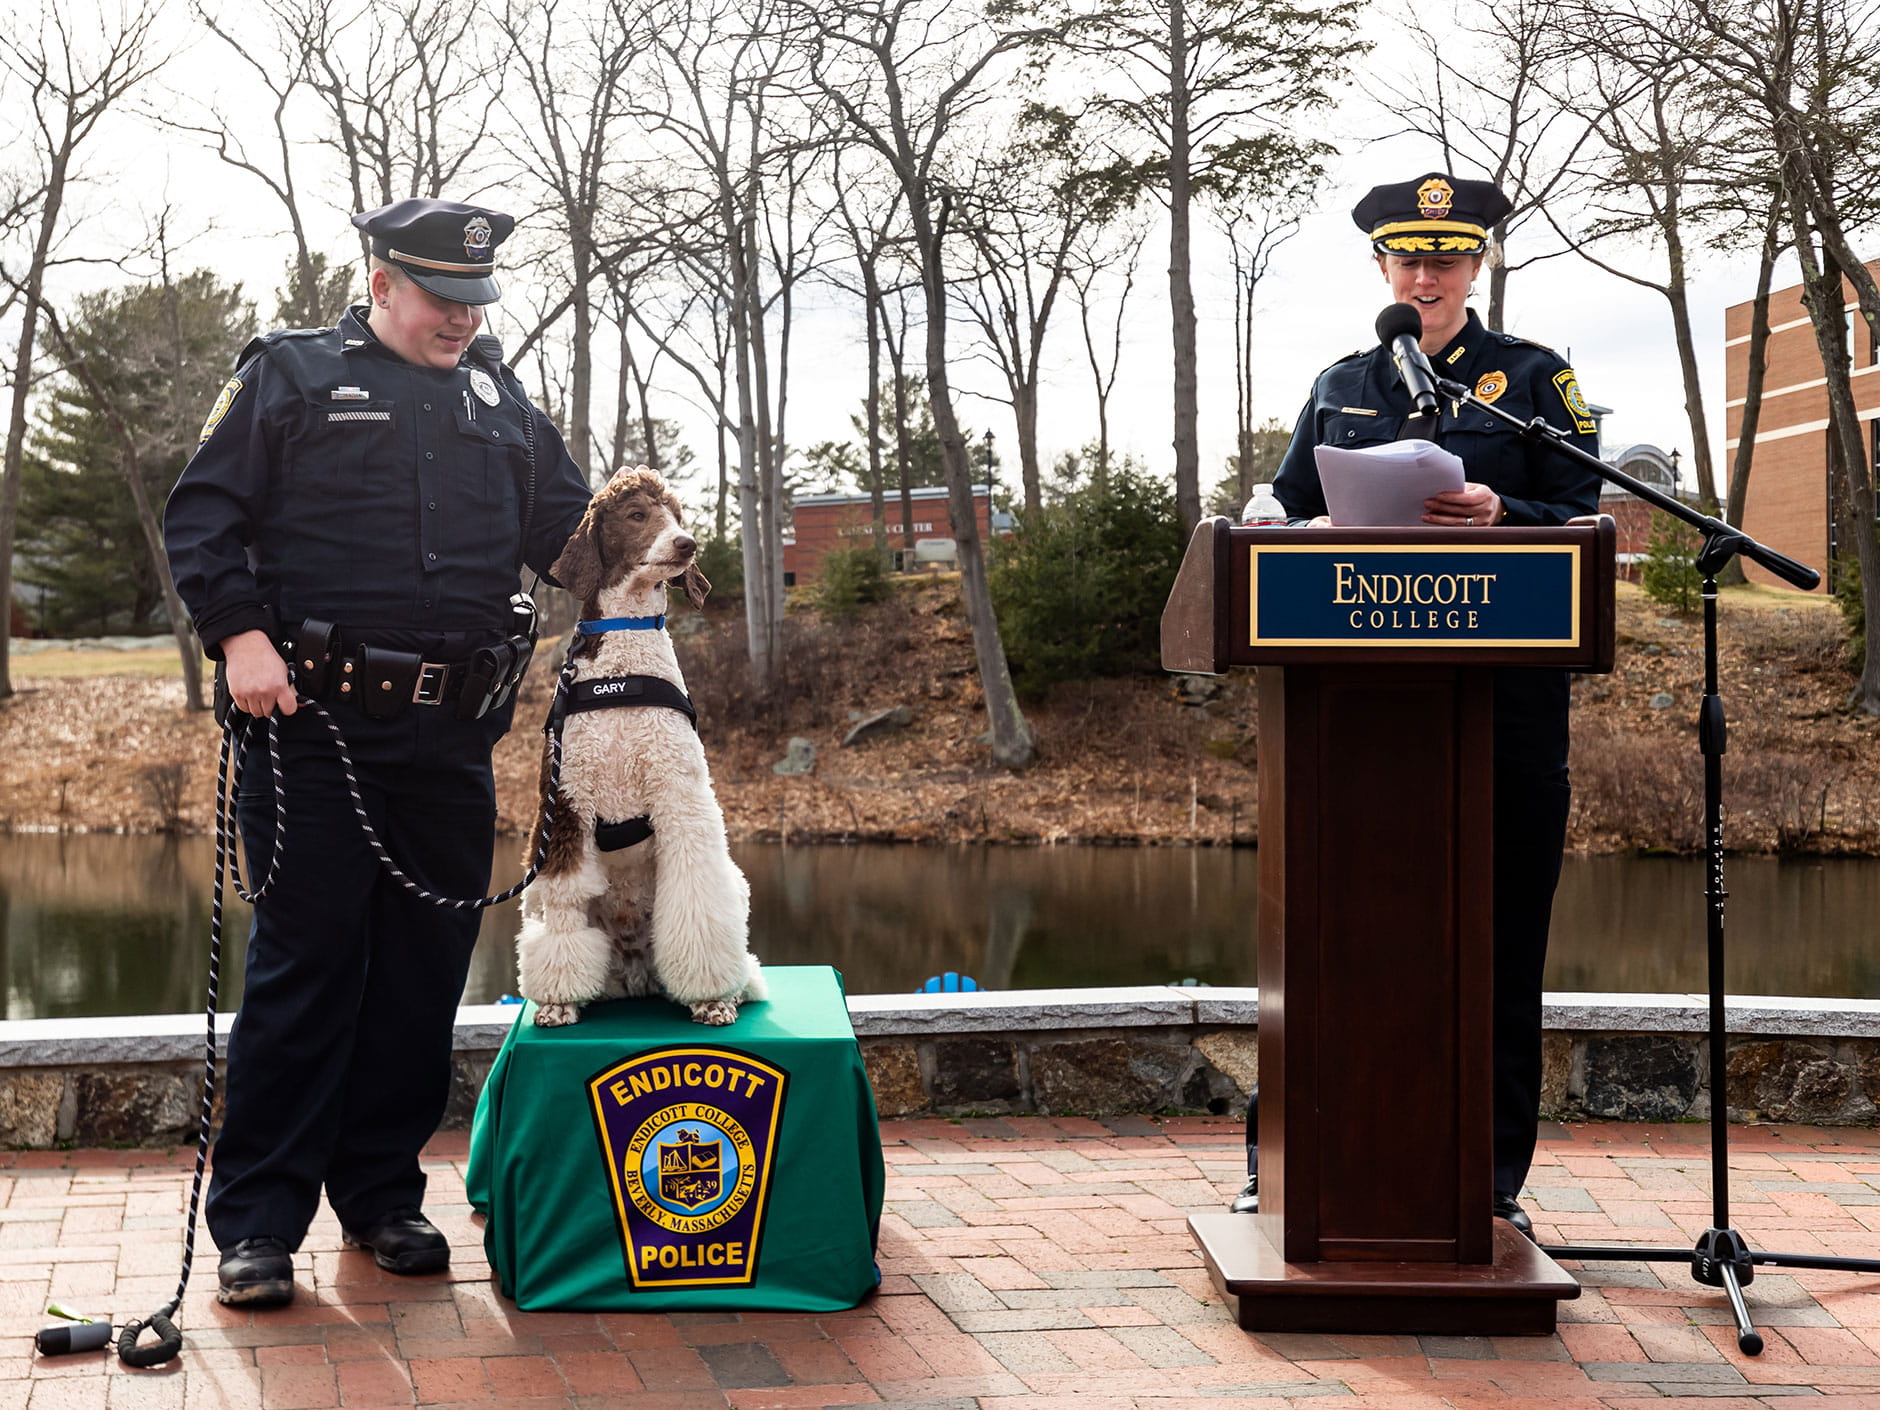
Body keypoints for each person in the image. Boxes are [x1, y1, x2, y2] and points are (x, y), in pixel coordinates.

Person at [164, 199, 595, 1306]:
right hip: (313, 727)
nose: (461, 320)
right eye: (443, 300)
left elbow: (568, 540)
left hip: (452, 735)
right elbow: (201, 517)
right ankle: (257, 1225)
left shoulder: (499, 400)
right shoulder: (291, 376)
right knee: (306, 969)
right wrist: (240, 635)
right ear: (383, 281)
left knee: (420, 977)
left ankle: (382, 1198)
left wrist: (646, 556)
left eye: (475, 303)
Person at [1263, 172, 1602, 1236]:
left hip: (1504, 705)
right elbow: (1285, 509)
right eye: (1406, 259)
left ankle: (1493, 1176)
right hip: (1356, 710)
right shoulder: (1341, 381)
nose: (1425, 275)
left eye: (1445, 258)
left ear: (1474, 266)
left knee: (1502, 941)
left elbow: (1582, 506)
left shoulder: (1531, 379)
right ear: (1381, 270)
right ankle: (1280, 1161)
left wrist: (1504, 506)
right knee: (1323, 930)